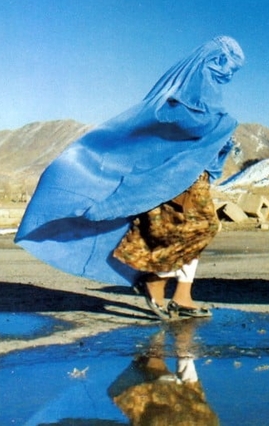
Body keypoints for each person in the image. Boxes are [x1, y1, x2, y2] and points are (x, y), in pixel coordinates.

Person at [15, 36, 245, 320]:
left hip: (192, 177)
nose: (229, 74)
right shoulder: (189, 87)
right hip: (169, 178)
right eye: (228, 66)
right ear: (215, 61)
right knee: (199, 228)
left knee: (185, 231)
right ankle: (154, 282)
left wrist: (220, 140)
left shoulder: (209, 90)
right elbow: (178, 120)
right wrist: (222, 125)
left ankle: (182, 295)